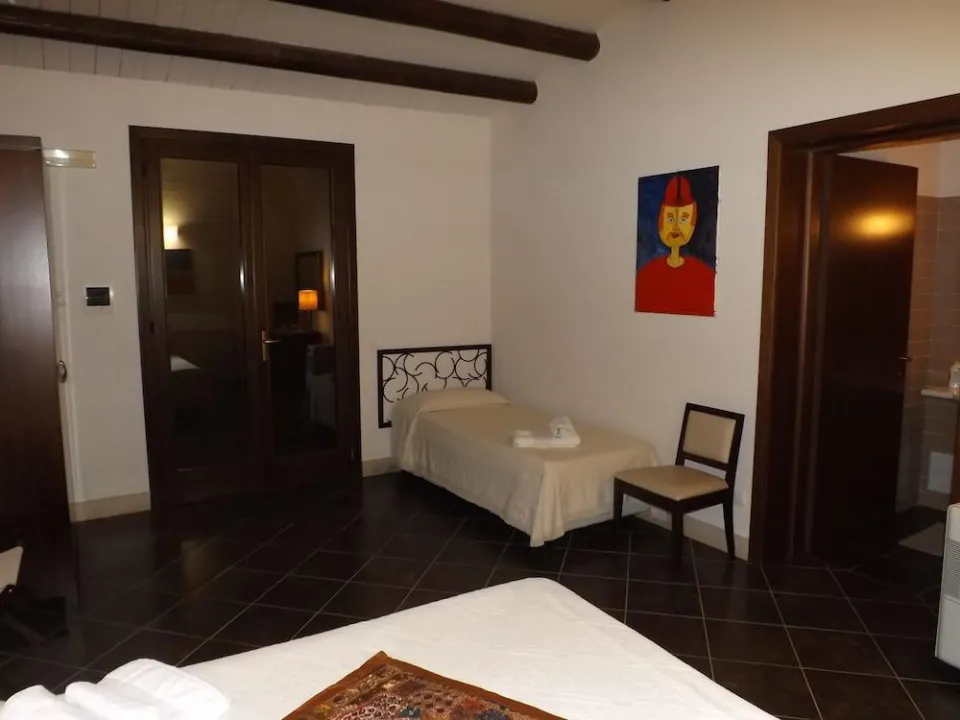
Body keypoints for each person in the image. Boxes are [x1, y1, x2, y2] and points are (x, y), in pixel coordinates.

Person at [635, 174, 715, 316]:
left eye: (683, 220)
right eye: (670, 219)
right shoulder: (646, 275)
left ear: (692, 225)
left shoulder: (706, 277)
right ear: (661, 222)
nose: (676, 227)